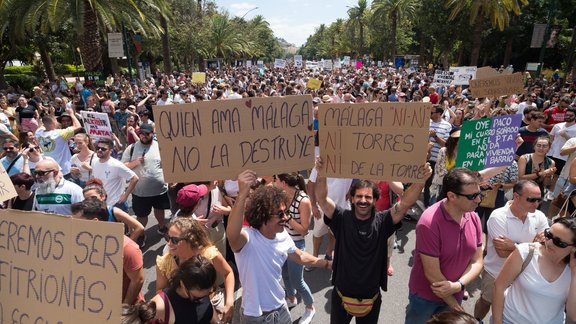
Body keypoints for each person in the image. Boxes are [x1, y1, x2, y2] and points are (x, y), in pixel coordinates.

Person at [314, 157, 432, 324]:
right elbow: (323, 200)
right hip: (341, 296)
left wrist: (421, 181)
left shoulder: (383, 221)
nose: (363, 200)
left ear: (375, 200)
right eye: (359, 196)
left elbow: (405, 203)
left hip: (371, 298)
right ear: (352, 199)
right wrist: (321, 174)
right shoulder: (341, 218)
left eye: (368, 197)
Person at [227, 170, 332, 324]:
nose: (285, 218)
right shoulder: (248, 239)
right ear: (264, 216)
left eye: (285, 212)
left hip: (280, 309)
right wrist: (242, 195)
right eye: (280, 214)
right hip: (254, 316)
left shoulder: (283, 236)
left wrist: (327, 264)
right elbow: (232, 235)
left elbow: (301, 256)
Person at [405, 168, 484, 323]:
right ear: (452, 196)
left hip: (454, 292)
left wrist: (458, 285)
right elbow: (433, 275)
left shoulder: (473, 217)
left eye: (480, 194)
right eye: (472, 196)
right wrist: (454, 304)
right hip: (425, 299)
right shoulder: (429, 223)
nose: (478, 200)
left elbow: (477, 261)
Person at [473, 180, 549, 322]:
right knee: (486, 302)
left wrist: (513, 245)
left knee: (509, 308)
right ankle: (476, 320)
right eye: (531, 199)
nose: (536, 204)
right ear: (516, 196)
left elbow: (545, 249)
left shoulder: (540, 216)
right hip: (496, 272)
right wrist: (533, 245)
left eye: (539, 200)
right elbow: (501, 252)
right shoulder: (498, 216)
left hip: (524, 275)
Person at [492, 217, 576, 324]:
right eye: (548, 235)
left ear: (574, 248)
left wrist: (574, 273)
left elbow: (573, 316)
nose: (549, 243)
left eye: (558, 242)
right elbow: (498, 286)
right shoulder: (526, 252)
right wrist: (497, 322)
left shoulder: (572, 270)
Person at [155, 217, 235, 324]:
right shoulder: (164, 263)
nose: (169, 244)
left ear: (191, 240)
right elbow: (160, 291)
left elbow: (228, 272)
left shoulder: (208, 255)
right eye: (167, 237)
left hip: (210, 302)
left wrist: (229, 301)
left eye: (174, 240)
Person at [71, 198, 144, 305]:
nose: (72, 226)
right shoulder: (77, 243)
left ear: (94, 223)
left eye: (76, 222)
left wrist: (123, 309)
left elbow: (137, 280)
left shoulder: (127, 248)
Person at [274, 172, 316, 324]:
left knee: (298, 281)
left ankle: (310, 307)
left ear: (284, 182)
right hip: (281, 242)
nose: (274, 182)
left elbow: (304, 230)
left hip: (296, 245)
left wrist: (287, 218)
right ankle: (291, 298)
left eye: (276, 179)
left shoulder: (303, 200)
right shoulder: (281, 195)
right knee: (285, 276)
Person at [126, 256, 217, 324]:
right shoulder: (160, 308)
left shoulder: (202, 286)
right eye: (197, 298)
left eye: (209, 293)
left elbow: (208, 308)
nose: (202, 299)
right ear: (182, 284)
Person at [122, 123, 170, 240]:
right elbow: (122, 166)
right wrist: (135, 163)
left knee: (160, 210)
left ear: (152, 134)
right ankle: (141, 234)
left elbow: (168, 164)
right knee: (141, 216)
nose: (143, 136)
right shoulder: (132, 148)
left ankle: (162, 226)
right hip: (140, 192)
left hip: (159, 190)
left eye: (146, 134)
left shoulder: (160, 146)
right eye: (141, 134)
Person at [91, 137, 139, 212]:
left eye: (103, 149)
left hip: (117, 204)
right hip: (101, 203)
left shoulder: (116, 165)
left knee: (121, 224)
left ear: (110, 151)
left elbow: (135, 178)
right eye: (98, 148)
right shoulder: (94, 162)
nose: (100, 150)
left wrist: (125, 196)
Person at [35, 107, 82, 177]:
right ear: (53, 123)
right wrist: (71, 114)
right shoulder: (60, 134)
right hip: (65, 170)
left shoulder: (38, 133)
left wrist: (51, 114)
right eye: (56, 121)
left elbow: (44, 123)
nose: (58, 122)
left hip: (49, 170)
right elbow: (78, 126)